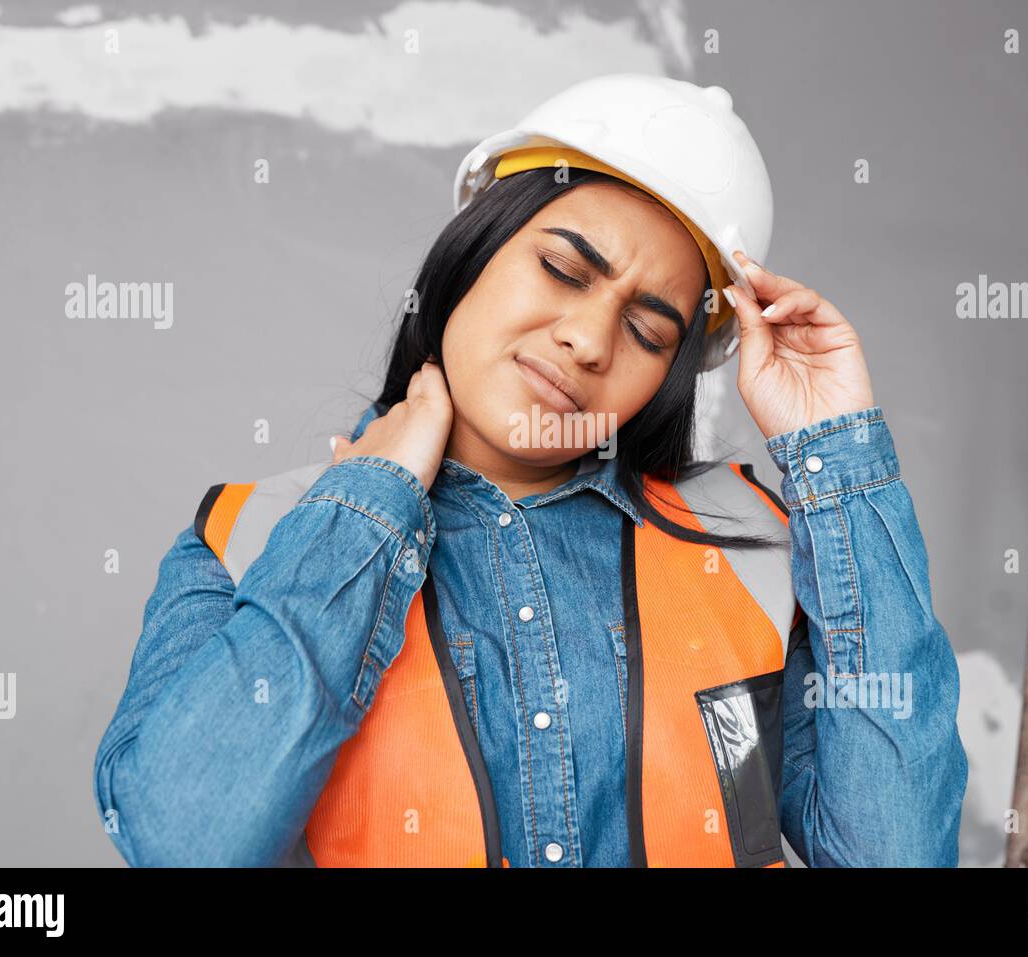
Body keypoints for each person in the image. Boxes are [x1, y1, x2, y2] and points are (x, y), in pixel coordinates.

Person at [93, 74, 967, 867]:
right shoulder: (248, 536)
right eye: (560, 269)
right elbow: (181, 837)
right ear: (476, 245)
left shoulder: (745, 554)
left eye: (649, 331)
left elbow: (893, 854)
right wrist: (368, 505)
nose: (588, 341)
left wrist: (837, 452)